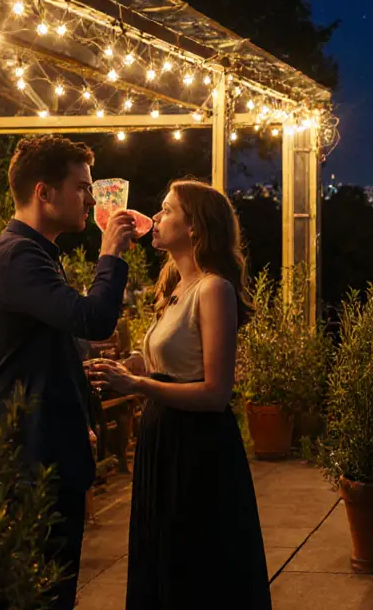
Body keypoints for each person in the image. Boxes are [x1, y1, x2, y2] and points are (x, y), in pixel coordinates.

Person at [89, 179, 269, 609]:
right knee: (163, 558)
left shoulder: (213, 289)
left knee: (194, 566)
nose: (156, 217)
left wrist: (136, 386)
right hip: (162, 438)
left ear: (195, 228)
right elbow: (171, 362)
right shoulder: (173, 288)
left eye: (167, 210)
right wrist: (134, 364)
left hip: (196, 446)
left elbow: (214, 393)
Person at [0, 135, 136, 610]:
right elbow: (91, 319)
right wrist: (111, 253)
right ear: (44, 193)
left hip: (47, 445)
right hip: (28, 457)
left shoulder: (38, 253)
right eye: (82, 188)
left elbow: (54, 346)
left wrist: (82, 418)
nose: (90, 200)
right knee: (42, 593)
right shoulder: (17, 257)